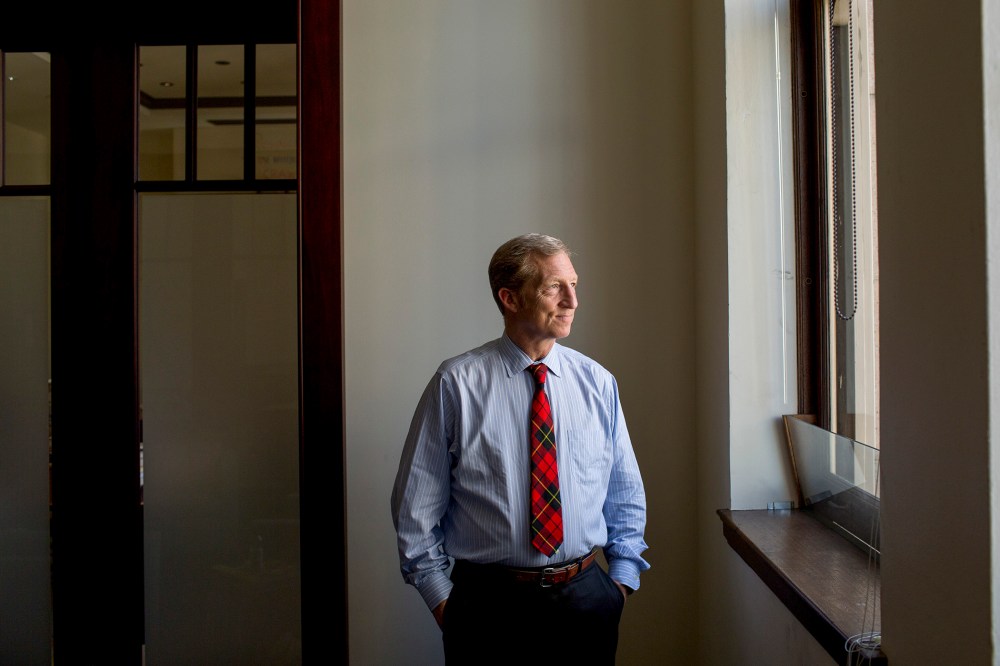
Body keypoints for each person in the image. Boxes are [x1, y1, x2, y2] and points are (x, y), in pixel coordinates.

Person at [390, 233, 649, 664]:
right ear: (510, 298)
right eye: (554, 287)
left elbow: (625, 492)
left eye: (574, 285)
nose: (572, 300)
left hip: (587, 600)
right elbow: (415, 506)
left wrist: (618, 584)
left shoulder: (597, 383)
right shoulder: (456, 384)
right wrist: (443, 602)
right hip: (488, 606)